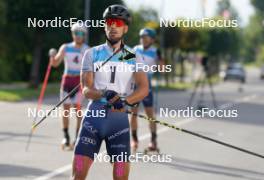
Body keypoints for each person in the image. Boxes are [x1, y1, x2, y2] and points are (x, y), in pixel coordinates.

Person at [72, 4, 148, 180]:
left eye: (118, 23)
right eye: (109, 22)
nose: (113, 26)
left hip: (119, 122)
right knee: (78, 176)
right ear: (105, 25)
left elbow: (144, 88)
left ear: (125, 28)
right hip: (93, 120)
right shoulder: (92, 54)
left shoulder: (133, 56)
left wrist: (127, 101)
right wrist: (104, 93)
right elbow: (86, 89)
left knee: (121, 177)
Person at [49, 22, 89, 150]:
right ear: (73, 34)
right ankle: (66, 136)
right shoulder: (65, 47)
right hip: (67, 81)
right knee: (65, 111)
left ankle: (78, 137)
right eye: (76, 33)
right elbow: (55, 63)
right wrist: (52, 57)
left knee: (78, 111)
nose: (78, 36)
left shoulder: (87, 49)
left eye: (81, 33)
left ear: (84, 35)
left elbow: (91, 69)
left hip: (79, 83)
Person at [130, 28, 165, 153]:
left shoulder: (155, 51)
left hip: (146, 86)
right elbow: (125, 63)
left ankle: (153, 141)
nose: (143, 40)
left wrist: (160, 59)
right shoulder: (135, 49)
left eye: (146, 37)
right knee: (133, 114)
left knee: (150, 115)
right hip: (134, 85)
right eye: (141, 37)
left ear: (152, 39)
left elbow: (162, 69)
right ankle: (134, 139)